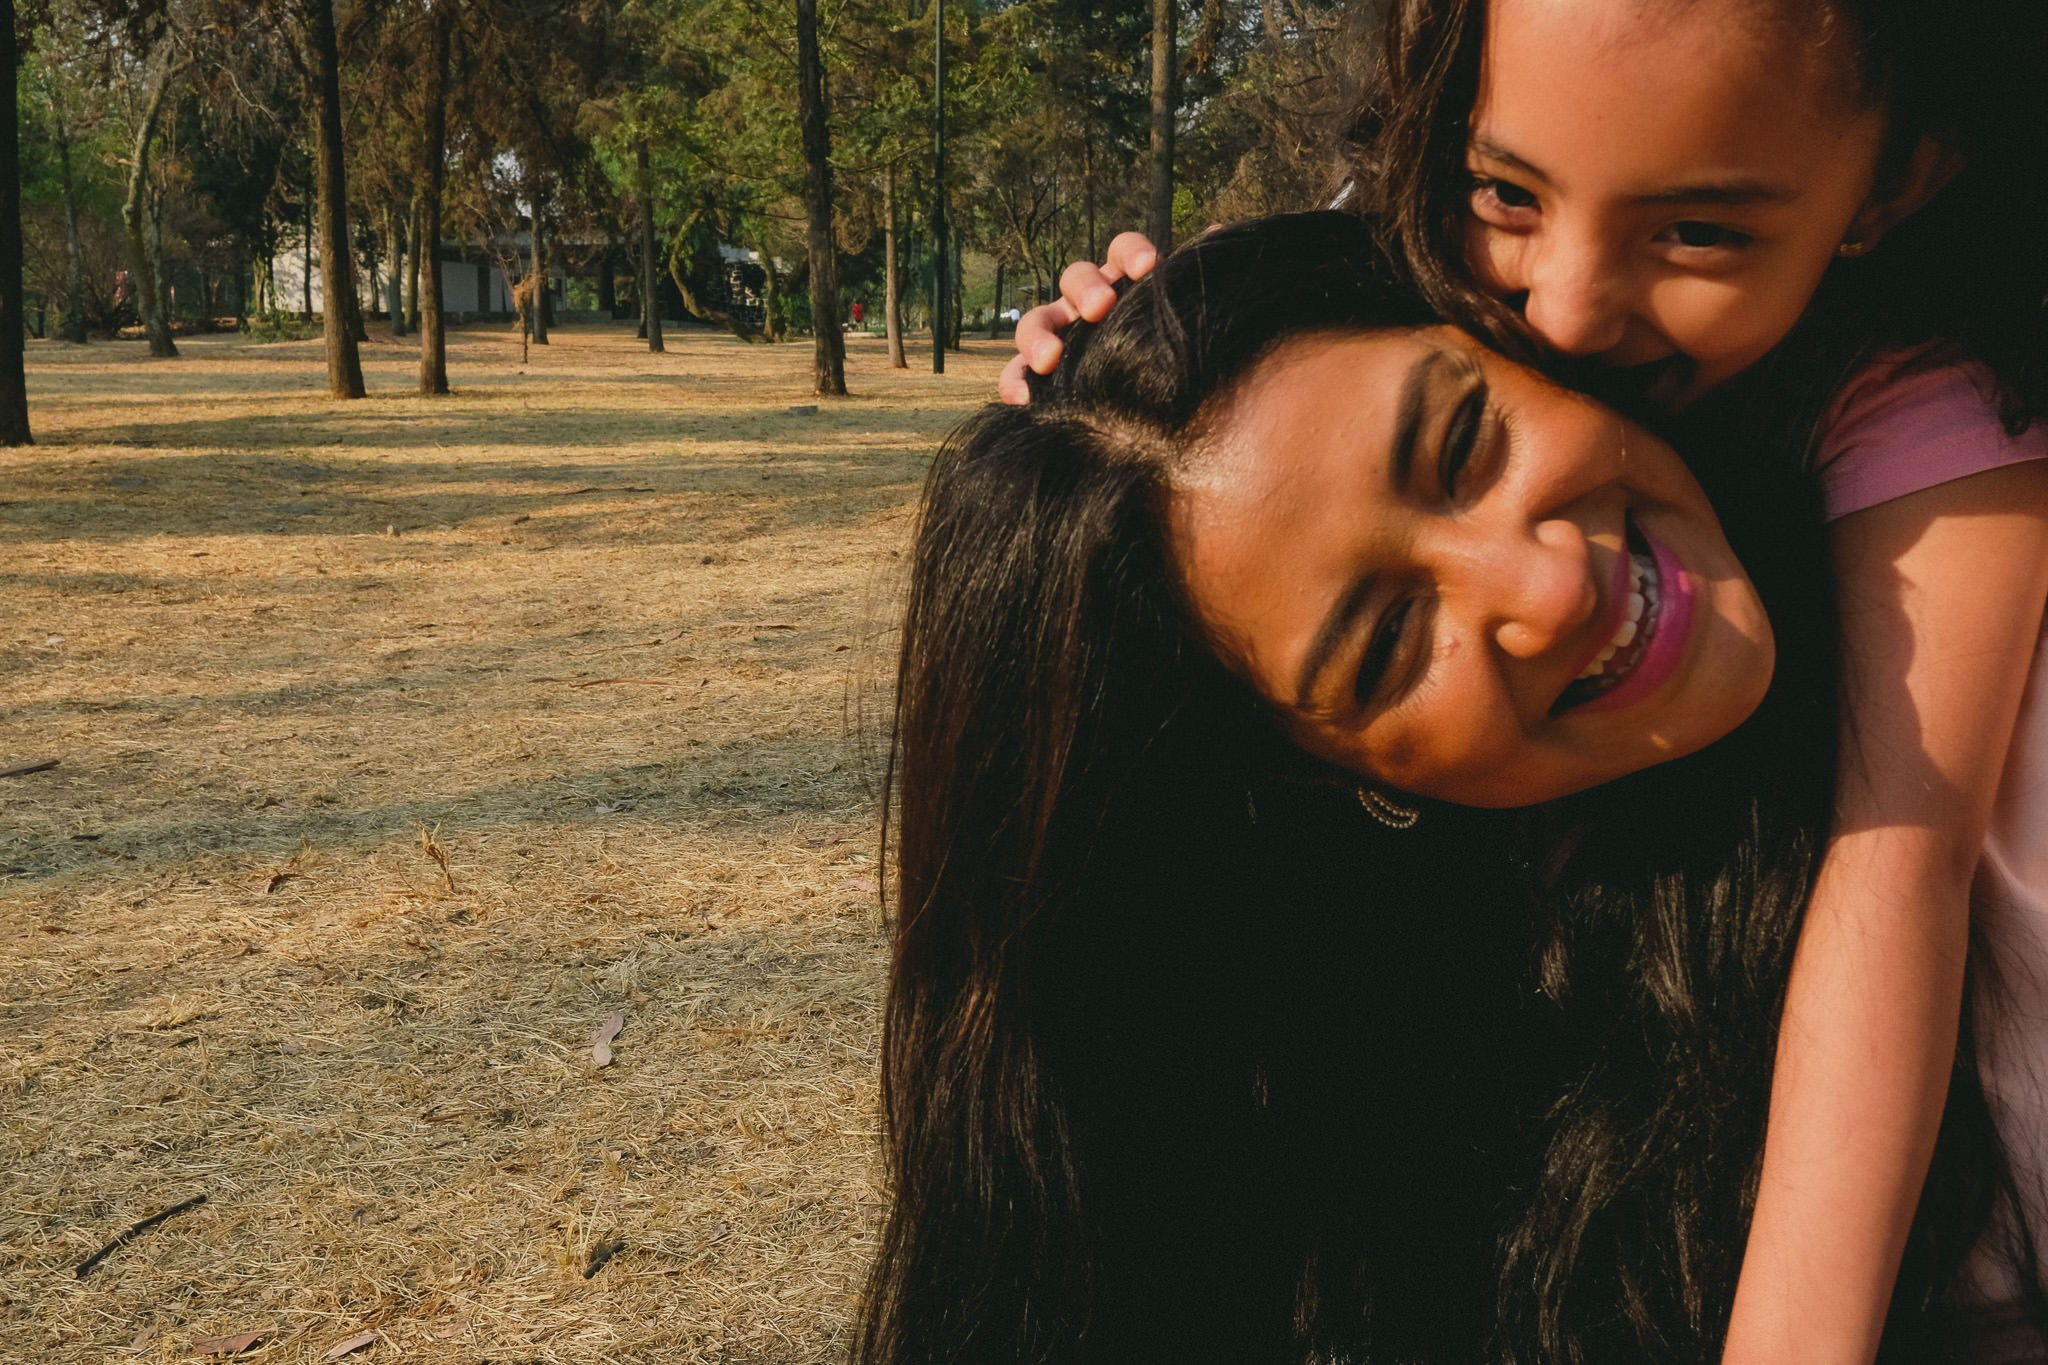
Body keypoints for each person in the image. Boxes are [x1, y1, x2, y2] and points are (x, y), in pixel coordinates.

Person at [1007, 1, 2048, 1357]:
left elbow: (1894, 873)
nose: (1566, 303)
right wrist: (1146, 353)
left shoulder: (1918, 395)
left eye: (1702, 231)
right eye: (1506, 191)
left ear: (1900, 179)